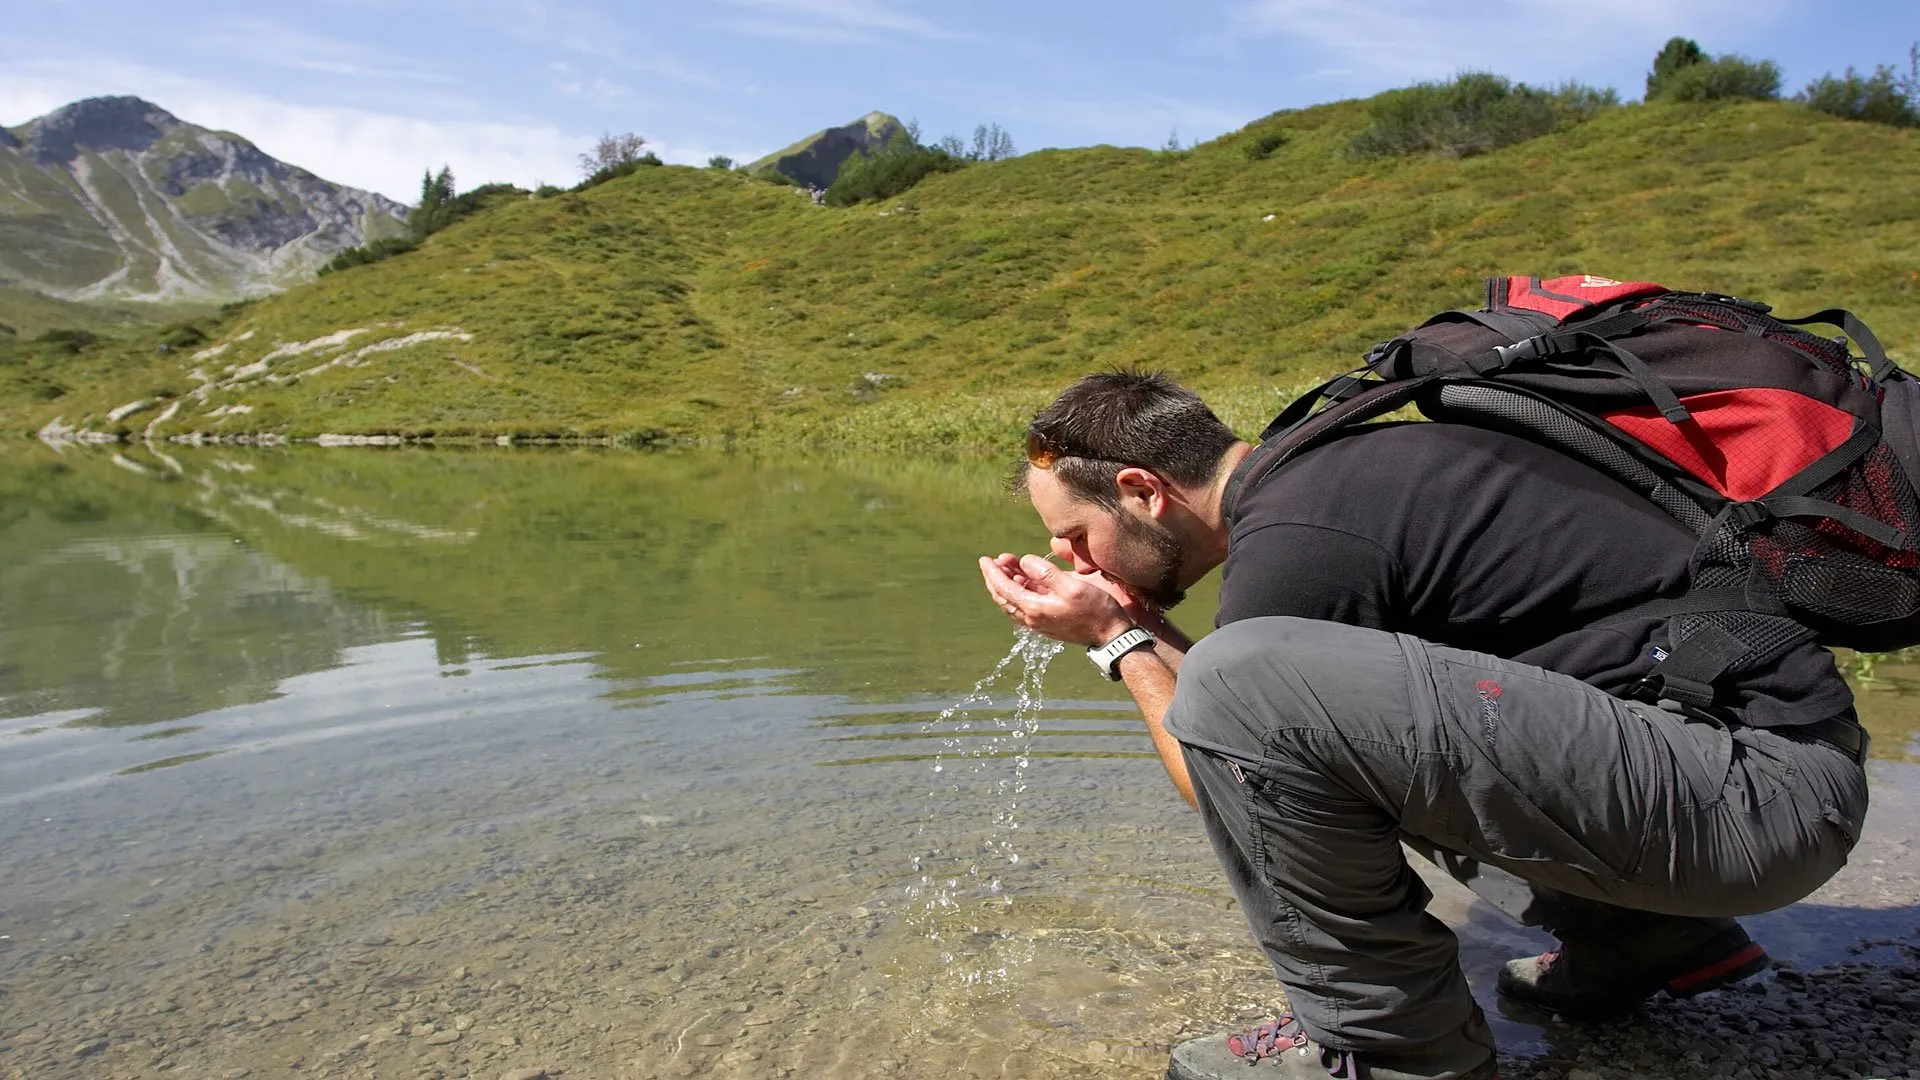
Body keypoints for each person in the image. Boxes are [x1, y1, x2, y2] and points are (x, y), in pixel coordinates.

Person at [978, 371, 1870, 1080]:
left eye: (1073, 534)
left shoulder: (1303, 533)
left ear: (1142, 491)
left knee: (1260, 689)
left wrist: (1115, 636)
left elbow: (1219, 764)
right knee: (1323, 716)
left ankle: (1392, 1049)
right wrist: (1135, 627)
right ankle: (1643, 936)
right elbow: (1288, 726)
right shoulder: (1335, 477)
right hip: (1754, 782)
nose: (1069, 555)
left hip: (1750, 802)